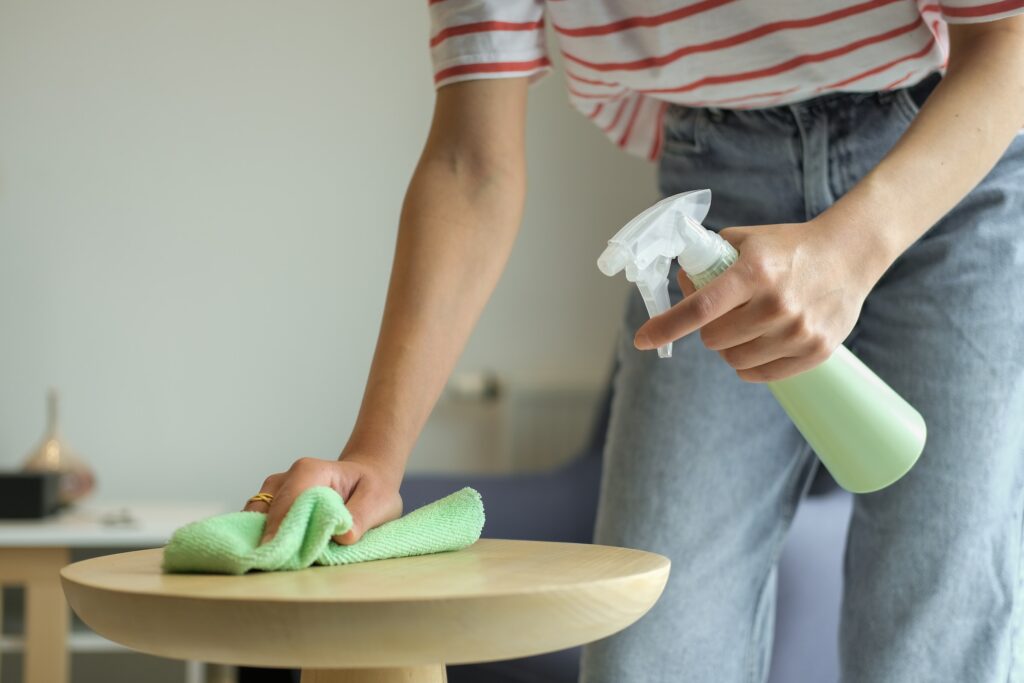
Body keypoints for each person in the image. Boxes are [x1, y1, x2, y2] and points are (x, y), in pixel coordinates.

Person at [245, 3, 1024, 681]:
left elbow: (1008, 42)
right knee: (647, 648)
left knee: (938, 638)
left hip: (949, 159)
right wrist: (377, 455)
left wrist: (849, 250)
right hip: (711, 189)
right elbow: (470, 161)